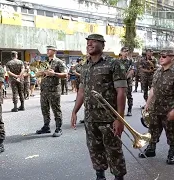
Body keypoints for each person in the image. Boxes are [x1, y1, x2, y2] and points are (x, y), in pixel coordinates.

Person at [71, 34, 127, 180]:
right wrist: (75, 111)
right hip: (90, 118)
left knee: (114, 151)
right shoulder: (85, 66)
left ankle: (118, 177)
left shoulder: (114, 64)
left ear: (102, 45)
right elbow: (81, 91)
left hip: (109, 118)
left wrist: (120, 119)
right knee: (94, 149)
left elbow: (121, 92)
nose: (89, 44)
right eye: (88, 42)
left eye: (93, 42)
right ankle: (100, 176)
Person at [139, 50, 174, 164]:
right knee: (152, 129)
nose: (161, 58)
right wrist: (148, 104)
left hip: (169, 109)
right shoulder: (157, 72)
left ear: (172, 58)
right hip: (156, 108)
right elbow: (153, 89)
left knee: (171, 131)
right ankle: (151, 149)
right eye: (160, 56)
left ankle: (172, 152)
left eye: (164, 56)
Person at [36, 45, 67, 137]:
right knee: (44, 109)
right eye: (47, 50)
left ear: (54, 51)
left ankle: (58, 128)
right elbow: (37, 74)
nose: (48, 51)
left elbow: (65, 74)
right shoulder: (44, 62)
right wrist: (42, 73)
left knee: (56, 109)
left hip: (54, 90)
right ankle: (46, 126)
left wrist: (54, 74)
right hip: (44, 90)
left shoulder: (59, 62)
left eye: (50, 50)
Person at [119, 47, 134, 116]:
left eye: (127, 51)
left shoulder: (130, 61)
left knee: (129, 95)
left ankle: (129, 110)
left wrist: (125, 77)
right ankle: (119, 111)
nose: (126, 53)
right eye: (125, 51)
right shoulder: (118, 61)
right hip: (120, 81)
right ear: (121, 52)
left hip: (128, 81)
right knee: (119, 96)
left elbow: (132, 71)